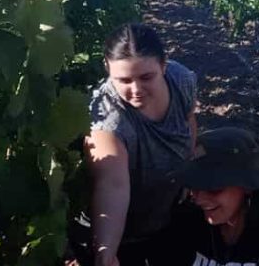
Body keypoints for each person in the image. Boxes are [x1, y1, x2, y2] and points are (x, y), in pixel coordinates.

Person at [81, 23, 198, 266]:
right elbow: (112, 185)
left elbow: (189, 123)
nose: (135, 90)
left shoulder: (181, 81)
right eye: (123, 80)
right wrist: (106, 253)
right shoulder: (106, 116)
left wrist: (189, 173)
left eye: (146, 77)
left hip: (168, 214)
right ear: (107, 68)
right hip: (124, 233)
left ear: (164, 65)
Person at [171, 127, 259, 265]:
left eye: (213, 188)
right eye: (194, 186)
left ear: (247, 186)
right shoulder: (187, 217)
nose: (199, 199)